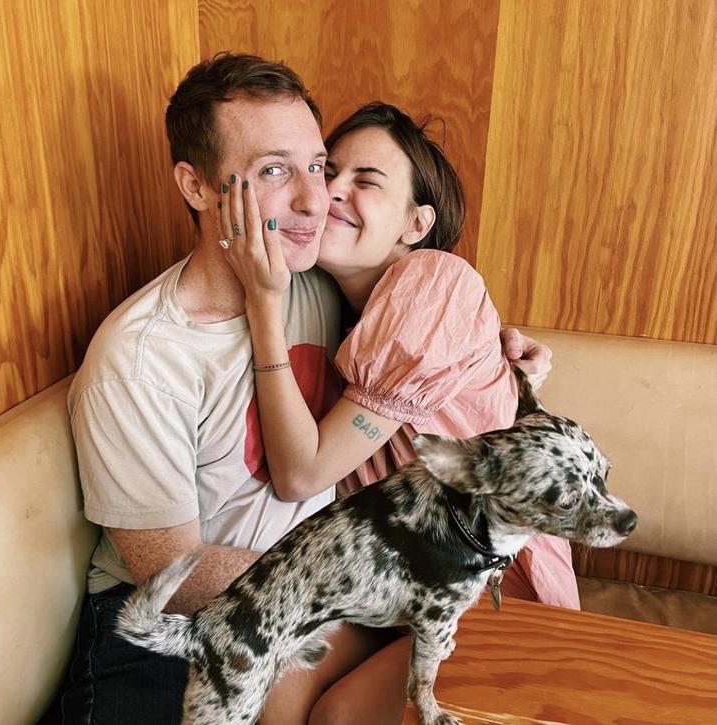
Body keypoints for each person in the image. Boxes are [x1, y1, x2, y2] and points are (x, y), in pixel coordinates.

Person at [49, 53, 551, 725]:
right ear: (196, 186)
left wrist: (499, 354)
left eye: (316, 166)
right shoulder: (142, 361)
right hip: (170, 626)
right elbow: (169, 571)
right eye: (274, 171)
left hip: (319, 601)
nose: (317, 199)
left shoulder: (319, 277)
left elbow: (425, 324)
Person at [221, 101, 580, 610]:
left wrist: (262, 303)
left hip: (489, 592)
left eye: (366, 181)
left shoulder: (431, 280)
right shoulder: (329, 297)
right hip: (398, 587)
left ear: (415, 224)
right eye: (328, 171)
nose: (329, 192)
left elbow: (302, 475)